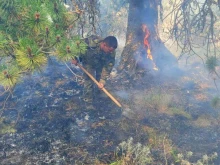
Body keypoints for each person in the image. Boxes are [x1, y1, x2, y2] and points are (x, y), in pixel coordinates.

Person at [72, 35, 118, 110]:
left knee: (100, 81)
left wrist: (103, 81)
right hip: (88, 62)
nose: (111, 52)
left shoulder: (111, 51)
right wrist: (73, 58)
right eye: (109, 50)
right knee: (89, 81)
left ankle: (99, 94)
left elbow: (108, 66)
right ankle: (88, 102)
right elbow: (73, 47)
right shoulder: (90, 42)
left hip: (101, 63)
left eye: (112, 51)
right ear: (104, 44)